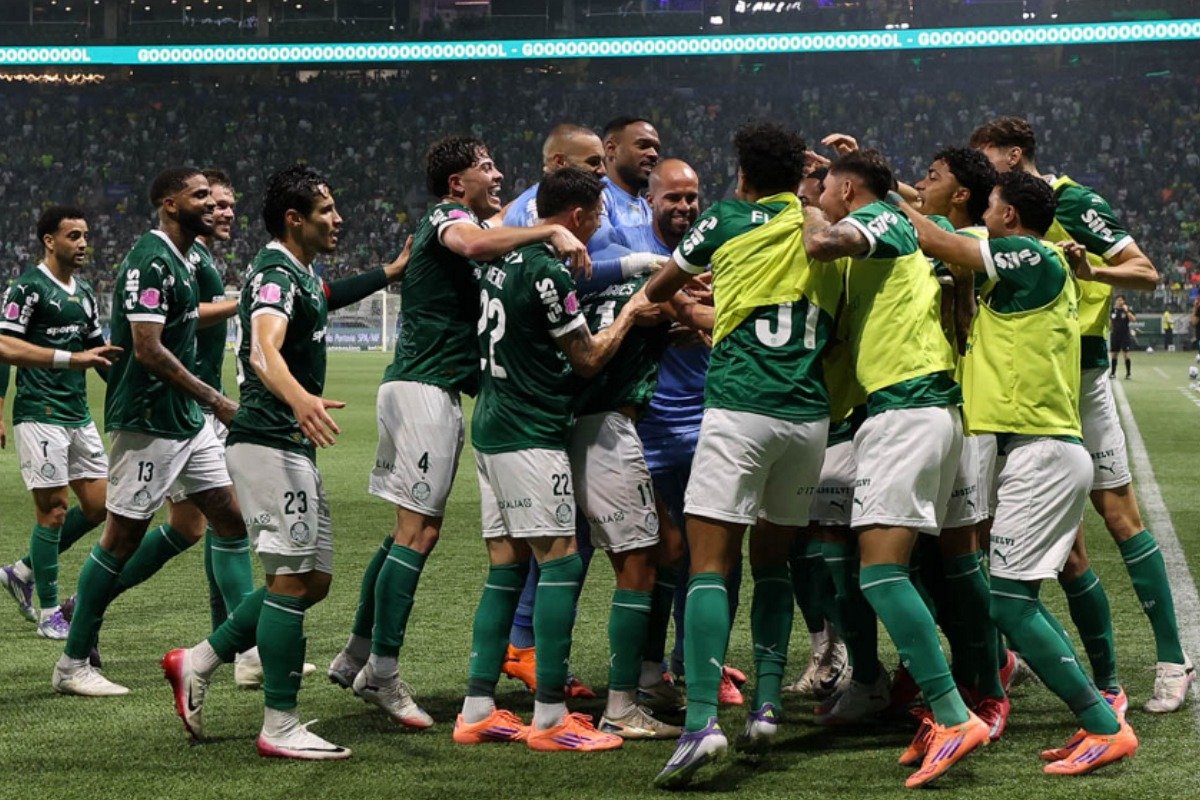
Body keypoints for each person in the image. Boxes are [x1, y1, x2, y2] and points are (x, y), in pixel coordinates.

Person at [326, 136, 591, 727]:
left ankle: (360, 652)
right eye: (486, 166)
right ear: (455, 184)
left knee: (404, 532)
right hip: (425, 387)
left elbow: (494, 232)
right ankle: (386, 675)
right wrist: (547, 231)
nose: (497, 173)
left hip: (421, 386)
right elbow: (473, 240)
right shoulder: (451, 219)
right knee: (418, 535)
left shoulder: (473, 224)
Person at [162, 164, 412, 760]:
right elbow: (263, 347)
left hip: (286, 445)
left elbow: (326, 295)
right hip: (268, 440)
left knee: (311, 582)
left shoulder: (299, 272)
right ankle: (279, 722)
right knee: (291, 581)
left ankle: (196, 661)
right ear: (295, 220)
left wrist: (390, 273)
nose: (339, 218)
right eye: (326, 210)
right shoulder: (274, 275)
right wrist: (300, 398)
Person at [899, 169, 1139, 776]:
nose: (986, 214)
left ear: (1007, 216)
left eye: (992, 206)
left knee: (1011, 605)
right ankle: (1099, 720)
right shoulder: (1032, 260)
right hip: (1036, 452)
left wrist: (878, 202)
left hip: (1043, 454)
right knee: (1015, 601)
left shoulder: (1026, 251)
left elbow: (938, 239)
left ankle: (1104, 723)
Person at [645, 122, 844, 788]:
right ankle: (763, 706)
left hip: (739, 409)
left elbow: (658, 287)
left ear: (740, 174)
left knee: (708, 563)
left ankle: (702, 723)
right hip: (808, 418)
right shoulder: (817, 225)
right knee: (774, 560)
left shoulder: (726, 219)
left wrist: (699, 314)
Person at [972, 116, 1191, 713]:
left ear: (1014, 157)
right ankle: (1105, 680)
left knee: (1120, 516)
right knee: (1063, 548)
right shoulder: (992, 214)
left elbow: (1145, 272)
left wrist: (1094, 271)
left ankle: (1173, 659)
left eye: (987, 159)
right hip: (1024, 389)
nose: (981, 173)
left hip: (1083, 377)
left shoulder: (1075, 203)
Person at [804, 149, 989, 788]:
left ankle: (952, 712)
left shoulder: (882, 219)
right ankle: (931, 698)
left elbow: (827, 243)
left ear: (848, 188)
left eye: (826, 184)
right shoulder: (884, 242)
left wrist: (793, 208)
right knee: (890, 566)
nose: (819, 191)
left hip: (907, 409)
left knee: (882, 576)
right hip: (906, 411)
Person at [452, 167, 651, 752]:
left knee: (506, 568)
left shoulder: (499, 261)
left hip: (490, 426)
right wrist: (632, 313)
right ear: (576, 217)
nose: (599, 225)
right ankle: (550, 717)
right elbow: (588, 359)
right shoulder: (544, 271)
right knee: (561, 564)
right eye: (596, 216)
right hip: (530, 432)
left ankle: (477, 708)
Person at [51, 167, 250, 698]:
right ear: (169, 203)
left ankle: (245, 647)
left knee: (229, 520)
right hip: (147, 420)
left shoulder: (185, 260)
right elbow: (146, 347)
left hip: (185, 420)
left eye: (214, 195)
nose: (212, 204)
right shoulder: (151, 258)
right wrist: (216, 399)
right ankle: (73, 661)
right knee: (121, 538)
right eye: (200, 195)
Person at [0, 207, 112, 637]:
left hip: (77, 412)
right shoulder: (28, 288)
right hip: (39, 412)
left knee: (101, 506)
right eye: (73, 236)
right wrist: (71, 359)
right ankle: (50, 613)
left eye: (85, 235)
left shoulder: (84, 293)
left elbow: (98, 353)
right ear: (50, 240)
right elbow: (6, 346)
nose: (83, 243)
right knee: (53, 511)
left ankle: (23, 571)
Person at [1109, 295, 1136, 378]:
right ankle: (1113, 373)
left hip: (1125, 335)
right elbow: (1110, 322)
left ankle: (1128, 373)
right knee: (1114, 354)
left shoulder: (1127, 310)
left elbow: (1133, 319)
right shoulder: (1113, 311)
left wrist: (1126, 311)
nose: (1119, 302)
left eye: (1121, 300)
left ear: (1124, 301)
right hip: (1115, 335)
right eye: (1117, 300)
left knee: (1126, 355)